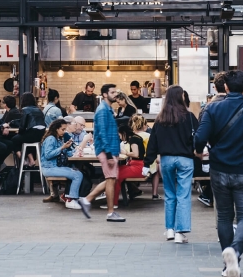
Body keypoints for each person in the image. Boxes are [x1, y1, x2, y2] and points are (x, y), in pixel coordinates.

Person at [194, 70, 243, 277]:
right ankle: (235, 252)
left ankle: (228, 264)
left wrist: (200, 151)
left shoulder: (212, 108)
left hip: (219, 170)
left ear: (225, 88)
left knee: (224, 217)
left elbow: (199, 138)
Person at [144, 85, 197, 243]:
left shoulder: (161, 118)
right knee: (183, 195)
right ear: (181, 97)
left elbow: (153, 142)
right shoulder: (189, 117)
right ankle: (180, 232)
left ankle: (169, 230)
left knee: (169, 194)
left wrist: (147, 163)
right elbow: (198, 137)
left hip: (166, 160)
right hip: (185, 160)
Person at [78, 84, 124, 222]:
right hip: (106, 150)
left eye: (116, 91)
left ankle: (86, 201)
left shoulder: (108, 109)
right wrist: (109, 155)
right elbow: (103, 134)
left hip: (111, 149)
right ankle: (110, 213)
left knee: (111, 179)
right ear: (105, 94)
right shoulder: (103, 110)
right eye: (112, 92)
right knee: (111, 180)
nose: (115, 94)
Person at [196, 72, 228, 208]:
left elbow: (201, 134)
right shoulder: (239, 106)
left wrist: (199, 150)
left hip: (213, 152)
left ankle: (209, 197)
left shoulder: (207, 108)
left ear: (214, 87)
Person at [41, 118, 84, 209]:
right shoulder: (51, 139)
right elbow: (48, 155)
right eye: (63, 129)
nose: (64, 132)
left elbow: (62, 153)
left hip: (55, 167)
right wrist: (62, 148)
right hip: (49, 168)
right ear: (56, 129)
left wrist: (71, 150)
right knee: (77, 175)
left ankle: (72, 198)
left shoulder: (58, 139)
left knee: (78, 173)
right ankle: (71, 199)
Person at [11, 93, 46, 166]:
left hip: (32, 132)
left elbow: (22, 125)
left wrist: (19, 132)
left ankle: (22, 159)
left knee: (14, 139)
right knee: (25, 141)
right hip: (41, 134)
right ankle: (31, 160)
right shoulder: (39, 110)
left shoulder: (25, 109)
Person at [131, 115, 160, 199]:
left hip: (138, 163)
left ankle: (134, 190)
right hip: (151, 162)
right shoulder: (149, 135)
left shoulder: (134, 137)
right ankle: (155, 194)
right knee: (155, 173)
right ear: (144, 125)